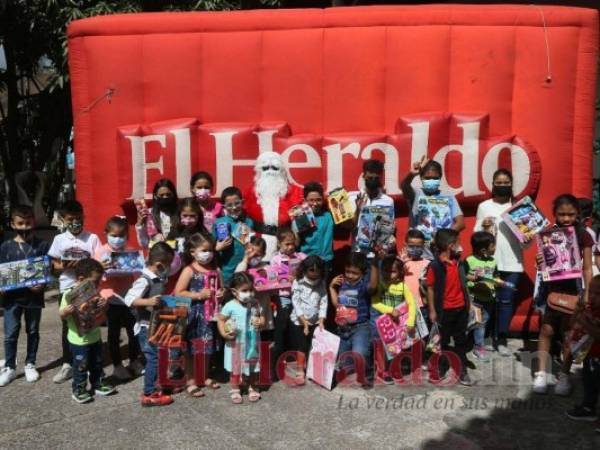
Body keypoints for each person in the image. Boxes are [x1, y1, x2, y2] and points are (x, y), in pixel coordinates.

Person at [533, 194, 593, 395]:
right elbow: (541, 263)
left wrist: (588, 293)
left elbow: (587, 267)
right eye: (562, 214)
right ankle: (541, 374)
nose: (566, 218)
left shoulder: (584, 235)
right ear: (554, 214)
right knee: (546, 330)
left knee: (568, 334)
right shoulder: (547, 233)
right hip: (550, 288)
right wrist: (540, 261)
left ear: (578, 214)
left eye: (571, 214)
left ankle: (564, 375)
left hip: (574, 289)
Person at [48, 200, 101, 384]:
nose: (76, 222)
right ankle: (68, 363)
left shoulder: (92, 238)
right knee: (68, 326)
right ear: (63, 220)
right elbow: (53, 265)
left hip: (88, 289)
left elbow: (98, 263)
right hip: (67, 288)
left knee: (90, 321)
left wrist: (85, 267)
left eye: (79, 218)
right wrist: (63, 266)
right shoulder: (59, 240)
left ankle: (90, 360)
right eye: (71, 219)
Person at [474, 169, 524, 356]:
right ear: (492, 184)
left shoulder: (520, 207)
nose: (502, 185)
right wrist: (484, 226)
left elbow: (526, 243)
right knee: (485, 301)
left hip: (513, 264)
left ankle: (501, 339)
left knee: (506, 302)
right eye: (499, 182)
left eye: (506, 182)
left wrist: (527, 239)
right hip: (488, 263)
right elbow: (476, 236)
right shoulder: (484, 206)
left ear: (511, 184)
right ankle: (483, 338)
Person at [0, 205, 50, 386]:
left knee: (33, 331)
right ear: (13, 224)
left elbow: (45, 272)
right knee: (10, 334)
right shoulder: (5, 247)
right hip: (11, 299)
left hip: (33, 299)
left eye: (28, 222)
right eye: (20, 223)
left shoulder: (42, 245)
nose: (24, 226)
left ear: (34, 222)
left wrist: (42, 286)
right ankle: (10, 367)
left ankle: (30, 363)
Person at [123, 242, 175, 407]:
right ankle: (149, 392)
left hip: (156, 324)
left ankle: (156, 385)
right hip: (146, 326)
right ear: (160, 265)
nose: (169, 268)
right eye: (168, 265)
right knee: (153, 358)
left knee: (159, 356)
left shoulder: (158, 277)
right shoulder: (144, 280)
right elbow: (129, 299)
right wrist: (148, 301)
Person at [174, 232, 224, 398]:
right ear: (192, 252)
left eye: (210, 250)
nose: (208, 254)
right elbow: (179, 292)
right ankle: (190, 380)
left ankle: (204, 376)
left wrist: (220, 294)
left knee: (207, 347)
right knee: (190, 349)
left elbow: (222, 289)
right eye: (203, 250)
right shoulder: (189, 270)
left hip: (211, 316)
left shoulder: (216, 270)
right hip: (193, 316)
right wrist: (198, 295)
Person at [59, 258, 116, 403]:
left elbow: (102, 312)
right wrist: (66, 311)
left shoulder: (94, 292)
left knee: (97, 362)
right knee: (81, 366)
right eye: (95, 282)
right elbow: (61, 315)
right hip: (79, 340)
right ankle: (79, 389)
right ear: (81, 279)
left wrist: (104, 304)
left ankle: (98, 383)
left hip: (95, 336)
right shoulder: (69, 294)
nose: (98, 285)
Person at [94, 215, 143, 380]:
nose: (117, 239)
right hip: (111, 300)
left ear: (127, 236)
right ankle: (117, 365)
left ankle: (135, 361)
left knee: (133, 331)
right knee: (113, 334)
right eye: (113, 235)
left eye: (121, 235)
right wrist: (101, 269)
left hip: (129, 299)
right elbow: (94, 277)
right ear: (105, 233)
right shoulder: (100, 252)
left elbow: (138, 273)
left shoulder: (130, 251)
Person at [426, 229, 472, 386]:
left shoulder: (459, 262)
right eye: (458, 243)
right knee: (441, 342)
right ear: (451, 245)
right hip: (443, 311)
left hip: (461, 309)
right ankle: (439, 367)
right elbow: (430, 288)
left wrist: (469, 305)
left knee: (461, 341)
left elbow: (464, 284)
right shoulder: (435, 266)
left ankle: (462, 369)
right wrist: (432, 310)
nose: (460, 246)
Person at [329, 252, 378, 387]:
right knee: (344, 363)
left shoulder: (362, 286)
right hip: (343, 330)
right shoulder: (343, 284)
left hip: (360, 327)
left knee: (360, 353)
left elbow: (373, 286)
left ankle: (367, 373)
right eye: (347, 271)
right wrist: (332, 288)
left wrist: (374, 265)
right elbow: (337, 305)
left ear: (362, 273)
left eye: (354, 273)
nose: (350, 275)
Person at [217, 272, 265, 404]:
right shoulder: (230, 306)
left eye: (251, 290)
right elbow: (221, 320)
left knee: (253, 366)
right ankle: (235, 388)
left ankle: (252, 386)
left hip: (252, 342)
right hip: (236, 343)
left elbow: (261, 316)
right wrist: (224, 333)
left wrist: (261, 321)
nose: (249, 293)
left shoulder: (255, 303)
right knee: (235, 367)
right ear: (234, 291)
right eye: (244, 290)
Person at [244, 151, 303, 259]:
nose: (270, 172)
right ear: (259, 171)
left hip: (286, 244)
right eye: (265, 168)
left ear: (282, 170)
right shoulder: (249, 194)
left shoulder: (296, 192)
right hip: (260, 245)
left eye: (275, 168)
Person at [401, 156, 464, 255]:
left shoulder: (449, 196)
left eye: (435, 178)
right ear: (421, 177)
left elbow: (460, 223)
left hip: (443, 253)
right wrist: (411, 174)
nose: (431, 181)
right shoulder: (416, 194)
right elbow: (404, 186)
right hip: (420, 254)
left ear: (441, 177)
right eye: (427, 178)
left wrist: (441, 238)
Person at [370, 255, 417, 384]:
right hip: (383, 324)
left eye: (393, 271)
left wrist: (411, 322)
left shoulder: (403, 287)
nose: (389, 274)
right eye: (386, 270)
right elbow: (374, 302)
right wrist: (390, 310)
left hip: (397, 324)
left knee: (395, 347)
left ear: (400, 272)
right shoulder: (381, 285)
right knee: (381, 348)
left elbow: (412, 303)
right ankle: (382, 370)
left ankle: (392, 368)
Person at [271, 227, 307, 377]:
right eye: (286, 244)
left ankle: (298, 361)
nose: (290, 247)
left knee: (297, 327)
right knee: (281, 326)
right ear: (279, 244)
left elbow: (310, 274)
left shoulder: (302, 257)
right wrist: (282, 278)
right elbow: (271, 278)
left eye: (292, 243)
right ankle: (277, 361)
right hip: (283, 296)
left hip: (299, 297)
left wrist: (298, 277)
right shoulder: (275, 259)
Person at [566, 275, 600, 431]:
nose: (592, 297)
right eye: (591, 292)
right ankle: (588, 408)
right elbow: (573, 324)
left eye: (598, 294)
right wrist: (577, 311)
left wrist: (586, 322)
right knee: (588, 382)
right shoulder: (589, 309)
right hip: (589, 355)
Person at [289, 255, 328, 384]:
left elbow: (323, 300)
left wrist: (322, 318)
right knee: (302, 345)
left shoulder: (321, 282)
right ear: (305, 270)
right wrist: (303, 320)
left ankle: (314, 370)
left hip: (316, 320)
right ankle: (300, 370)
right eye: (311, 273)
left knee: (314, 346)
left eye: (317, 274)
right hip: (300, 321)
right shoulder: (298, 282)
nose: (314, 277)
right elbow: (296, 301)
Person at [465, 231, 501, 362]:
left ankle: (477, 345)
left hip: (489, 298)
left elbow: (496, 276)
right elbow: (462, 276)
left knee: (482, 323)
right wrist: (472, 278)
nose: (495, 248)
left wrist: (498, 282)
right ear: (483, 250)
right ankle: (476, 346)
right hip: (474, 298)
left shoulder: (493, 261)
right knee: (476, 323)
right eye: (493, 246)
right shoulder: (469, 261)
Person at [350, 159, 395, 257]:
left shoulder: (388, 201)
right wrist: (358, 209)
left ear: (381, 177)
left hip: (378, 254)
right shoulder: (353, 198)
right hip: (358, 253)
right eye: (370, 177)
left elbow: (389, 228)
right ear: (364, 176)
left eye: (376, 178)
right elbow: (350, 227)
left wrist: (386, 248)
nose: (373, 181)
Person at [213, 186, 255, 287]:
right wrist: (217, 248)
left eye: (237, 203)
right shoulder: (219, 223)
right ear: (224, 206)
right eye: (229, 205)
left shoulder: (249, 222)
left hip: (246, 269)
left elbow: (251, 243)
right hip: (227, 272)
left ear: (242, 202)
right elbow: (210, 247)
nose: (234, 207)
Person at [235, 236, 274, 342]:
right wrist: (245, 260)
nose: (253, 256)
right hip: (245, 311)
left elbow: (274, 287)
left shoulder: (267, 268)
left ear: (264, 255)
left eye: (257, 255)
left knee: (262, 340)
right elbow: (237, 279)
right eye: (250, 253)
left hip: (262, 310)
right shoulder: (243, 265)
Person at [297, 181, 335, 275]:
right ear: (305, 200)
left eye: (318, 200)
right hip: (307, 261)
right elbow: (296, 243)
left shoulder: (329, 216)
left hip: (326, 261)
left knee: (323, 288)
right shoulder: (300, 217)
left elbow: (349, 224)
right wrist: (298, 225)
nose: (315, 203)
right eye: (311, 200)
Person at [136, 178, 179, 248]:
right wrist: (140, 224)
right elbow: (144, 243)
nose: (165, 197)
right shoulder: (149, 214)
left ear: (173, 195)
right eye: (161, 195)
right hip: (157, 255)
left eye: (168, 194)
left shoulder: (180, 213)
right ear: (155, 196)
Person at [401, 229, 431, 320]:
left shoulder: (428, 264)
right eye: (411, 246)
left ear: (423, 246)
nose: (415, 249)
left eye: (418, 246)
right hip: (405, 306)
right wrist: (401, 264)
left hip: (423, 307)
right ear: (405, 245)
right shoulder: (400, 263)